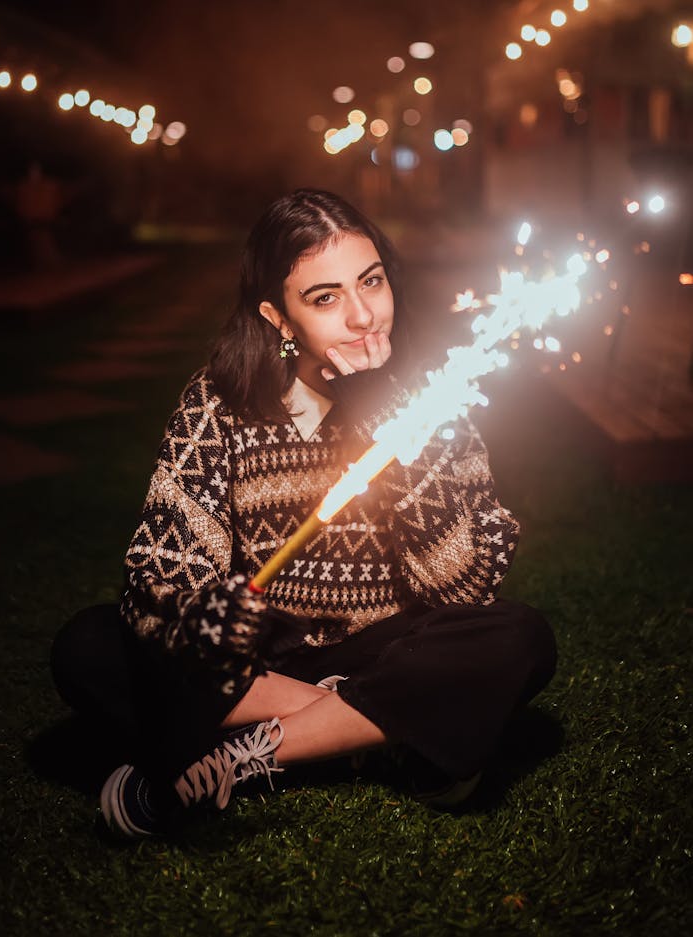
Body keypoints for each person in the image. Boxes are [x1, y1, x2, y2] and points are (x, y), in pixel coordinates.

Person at [51, 188, 557, 839]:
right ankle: (371, 731)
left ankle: (248, 757)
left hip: (391, 647)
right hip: (263, 665)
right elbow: (164, 570)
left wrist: (383, 415)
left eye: (371, 282)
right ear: (278, 317)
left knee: (519, 637)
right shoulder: (219, 404)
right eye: (325, 297)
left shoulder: (433, 399)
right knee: (90, 646)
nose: (361, 315)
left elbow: (460, 587)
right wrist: (212, 625)